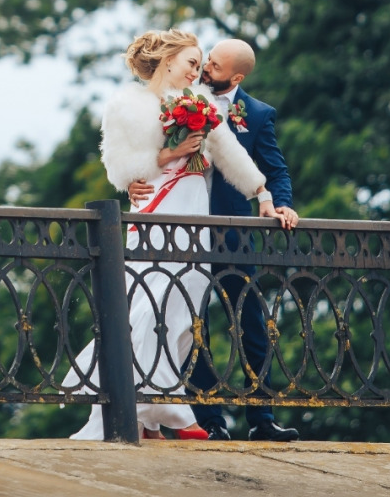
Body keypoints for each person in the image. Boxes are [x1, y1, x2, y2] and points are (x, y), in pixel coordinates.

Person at [68, 30, 284, 440]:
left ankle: (146, 417)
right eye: (191, 62)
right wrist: (170, 153)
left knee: (184, 312)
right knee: (149, 305)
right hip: (155, 210)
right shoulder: (126, 104)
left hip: (192, 213)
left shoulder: (199, 101)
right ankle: (168, 409)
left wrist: (262, 192)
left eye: (201, 63)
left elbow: (228, 151)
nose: (198, 70)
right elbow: (119, 169)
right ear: (168, 61)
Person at [127, 38, 299, 442]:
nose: (205, 70)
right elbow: (141, 153)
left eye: (215, 66)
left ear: (236, 76)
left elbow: (273, 168)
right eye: (204, 62)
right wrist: (133, 179)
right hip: (183, 225)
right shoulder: (180, 98)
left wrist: (278, 203)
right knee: (188, 322)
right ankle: (208, 420)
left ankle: (262, 418)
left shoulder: (257, 114)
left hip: (234, 232)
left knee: (251, 322)